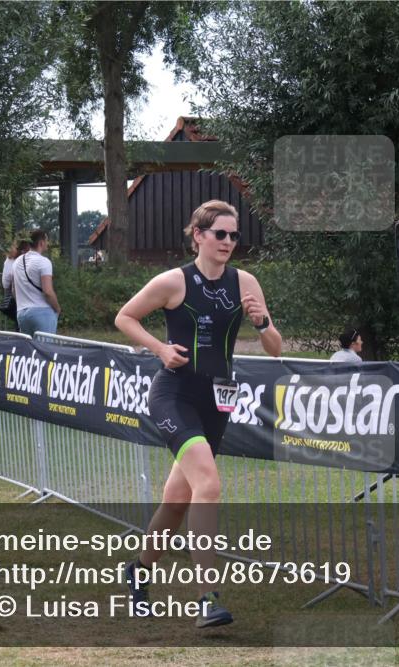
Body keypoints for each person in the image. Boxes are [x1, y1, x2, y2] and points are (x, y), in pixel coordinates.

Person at [114, 200, 282, 628]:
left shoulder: (245, 282)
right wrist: (160, 349)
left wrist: (262, 323)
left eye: (234, 235)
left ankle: (137, 571)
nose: (229, 242)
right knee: (208, 484)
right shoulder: (173, 281)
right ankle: (207, 596)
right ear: (199, 237)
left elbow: (276, 347)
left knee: (176, 503)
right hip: (173, 395)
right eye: (220, 234)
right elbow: (125, 317)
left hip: (217, 401)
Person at [13, 230, 60, 336]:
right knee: (44, 350)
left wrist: (23, 304)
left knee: (28, 351)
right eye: (47, 240)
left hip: (22, 314)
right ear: (41, 243)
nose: (47, 243)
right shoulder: (44, 262)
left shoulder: (17, 262)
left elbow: (13, 290)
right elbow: (47, 291)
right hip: (42, 313)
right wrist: (57, 308)